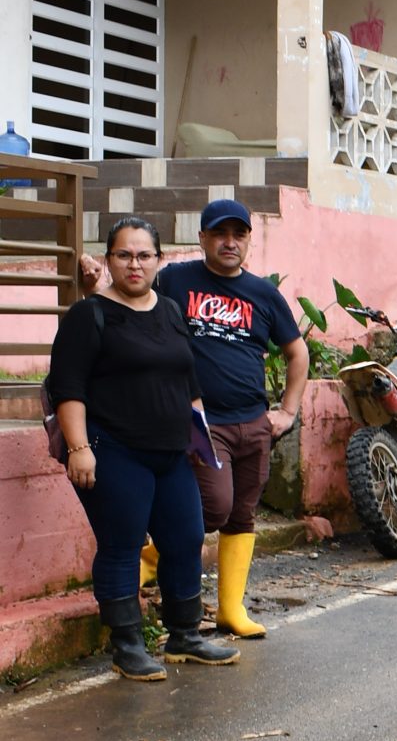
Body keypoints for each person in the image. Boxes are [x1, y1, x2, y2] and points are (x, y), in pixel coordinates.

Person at [48, 217, 238, 680]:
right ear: (109, 260)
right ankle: (128, 645)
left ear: (159, 260)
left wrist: (200, 439)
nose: (134, 264)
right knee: (121, 545)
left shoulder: (170, 311)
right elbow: (68, 389)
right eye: (123, 255)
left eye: (143, 255)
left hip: (172, 453)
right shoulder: (88, 315)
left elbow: (187, 383)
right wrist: (78, 448)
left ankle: (184, 636)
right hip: (113, 450)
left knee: (186, 539)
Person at [155, 200, 307, 637]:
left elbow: (297, 352)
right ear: (202, 239)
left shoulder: (263, 293)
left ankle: (230, 609)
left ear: (248, 242)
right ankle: (151, 557)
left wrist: (288, 410)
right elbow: (135, 303)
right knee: (214, 508)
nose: (229, 242)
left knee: (242, 515)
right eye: (219, 234)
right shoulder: (175, 279)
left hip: (254, 421)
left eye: (238, 234)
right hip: (203, 420)